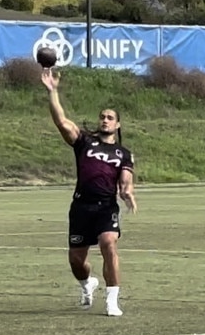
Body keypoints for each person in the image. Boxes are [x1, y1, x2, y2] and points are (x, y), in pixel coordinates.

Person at [41, 68, 137, 316]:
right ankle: (88, 283)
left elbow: (126, 179)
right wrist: (53, 92)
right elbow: (61, 121)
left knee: (108, 243)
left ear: (118, 124)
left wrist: (127, 192)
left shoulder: (123, 153)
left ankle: (112, 300)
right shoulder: (85, 142)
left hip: (106, 207)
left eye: (110, 117)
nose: (104, 120)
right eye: (102, 116)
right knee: (76, 262)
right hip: (81, 207)